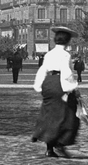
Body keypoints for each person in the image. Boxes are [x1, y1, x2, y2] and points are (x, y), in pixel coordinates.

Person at [32, 26, 81, 158]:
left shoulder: (49, 54)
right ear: (68, 41)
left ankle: (49, 149)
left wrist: (39, 85)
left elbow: (43, 70)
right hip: (60, 84)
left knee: (50, 115)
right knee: (68, 115)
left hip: (48, 83)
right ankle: (60, 143)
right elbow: (66, 72)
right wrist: (72, 88)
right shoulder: (65, 55)